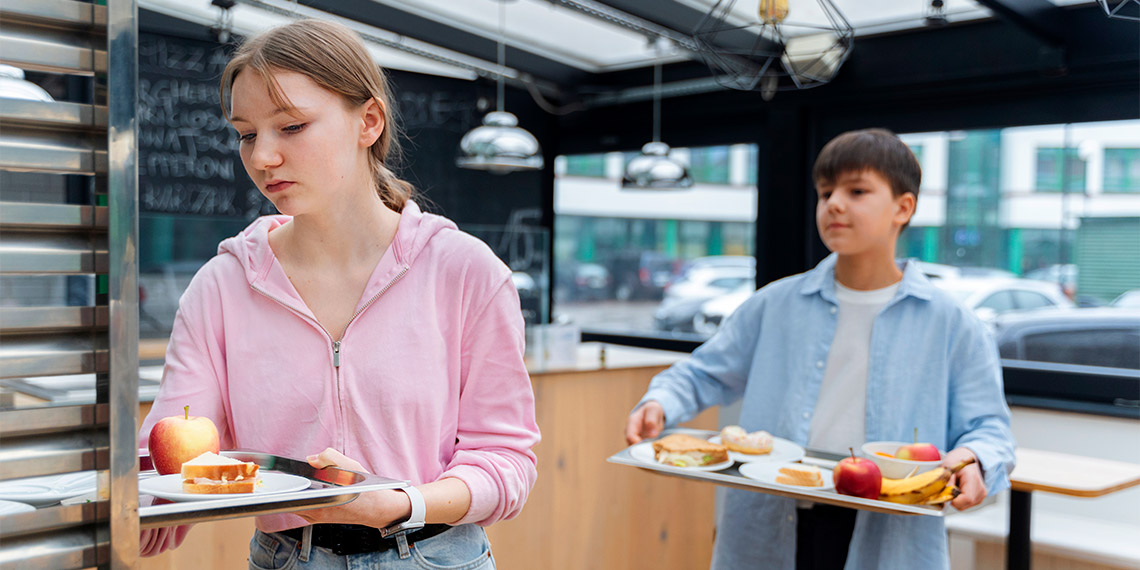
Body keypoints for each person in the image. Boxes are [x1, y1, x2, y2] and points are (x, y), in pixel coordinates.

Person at [138, 19, 540, 568]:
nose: (261, 158)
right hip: (285, 558)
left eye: (292, 127)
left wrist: (402, 503)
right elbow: (173, 445)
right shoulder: (222, 286)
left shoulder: (465, 272)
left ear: (367, 121)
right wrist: (152, 500)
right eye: (247, 133)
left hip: (434, 554)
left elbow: (506, 462)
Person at [625, 129, 1015, 570]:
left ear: (903, 208)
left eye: (857, 190)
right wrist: (661, 400)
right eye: (825, 192)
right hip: (772, 520)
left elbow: (989, 428)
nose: (834, 203)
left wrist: (975, 459)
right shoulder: (775, 303)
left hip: (888, 532)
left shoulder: (953, 322)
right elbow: (704, 373)